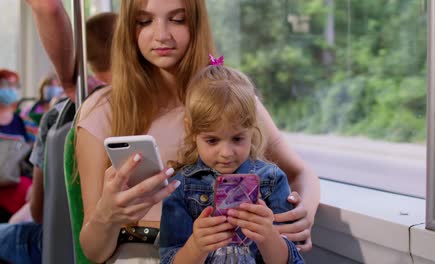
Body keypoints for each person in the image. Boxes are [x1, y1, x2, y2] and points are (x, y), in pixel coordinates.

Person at [31, 0, 319, 263]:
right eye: (144, 22)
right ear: (128, 30)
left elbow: (301, 173)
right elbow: (94, 251)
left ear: (195, 23)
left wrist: (301, 214)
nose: (162, 35)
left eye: (177, 19)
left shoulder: (228, 100)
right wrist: (108, 215)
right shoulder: (101, 111)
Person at [0, 4, 118, 263]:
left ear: (82, 54)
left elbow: (40, 211)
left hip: (57, 243)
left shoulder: (59, 115)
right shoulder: (144, 108)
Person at [159, 63, 305, 264]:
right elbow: (169, 260)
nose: (226, 153)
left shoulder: (272, 180)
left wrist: (268, 236)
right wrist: (196, 246)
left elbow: (292, 261)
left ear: (252, 129)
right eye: (212, 140)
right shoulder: (180, 186)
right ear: (192, 131)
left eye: (237, 139)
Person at [0, 69, 32, 223]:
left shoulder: (26, 122)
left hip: (17, 182)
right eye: (5, 85)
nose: (10, 89)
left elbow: (37, 156)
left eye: (14, 85)